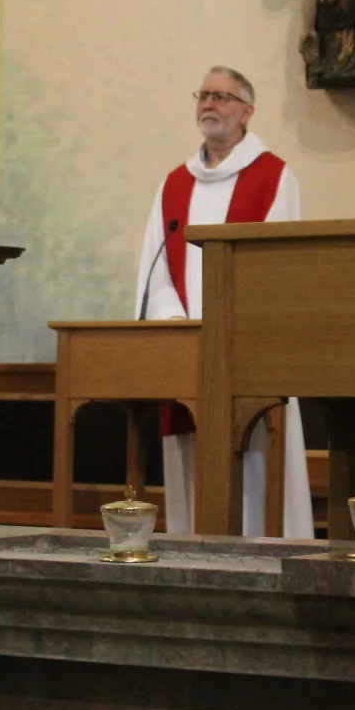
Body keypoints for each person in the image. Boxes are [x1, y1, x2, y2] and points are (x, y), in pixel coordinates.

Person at [135, 67, 310, 537]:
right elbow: (157, 267)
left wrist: (224, 327)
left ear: (247, 112)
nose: (208, 104)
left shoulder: (273, 177)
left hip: (247, 352)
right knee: (191, 472)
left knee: (254, 467)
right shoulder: (175, 184)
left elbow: (280, 269)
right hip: (187, 355)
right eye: (204, 95)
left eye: (221, 96)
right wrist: (178, 325)